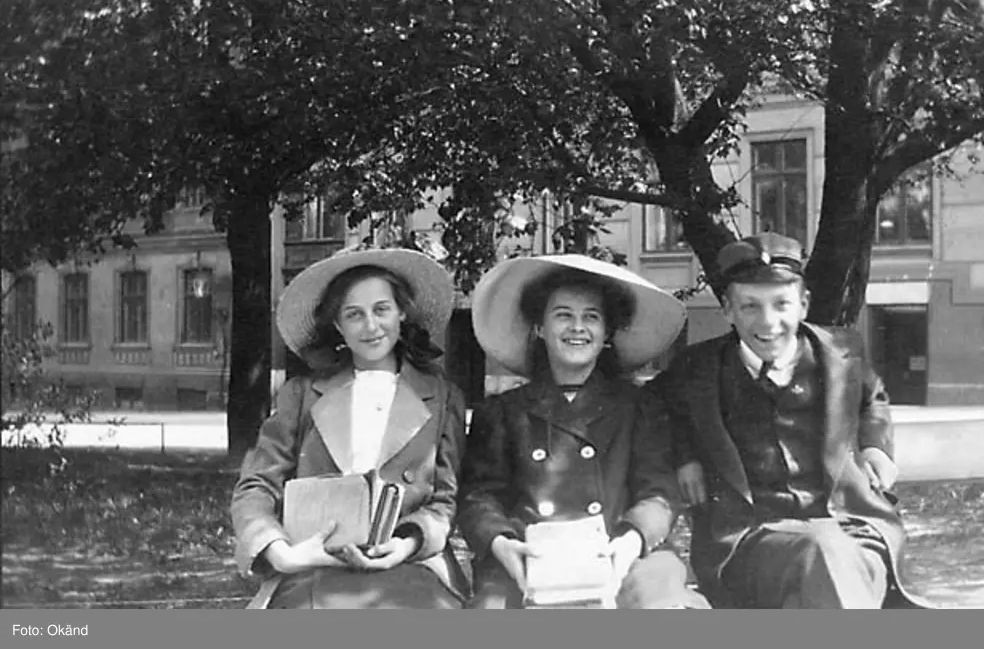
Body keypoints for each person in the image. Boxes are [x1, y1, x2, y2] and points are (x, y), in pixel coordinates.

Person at [643, 232, 927, 609]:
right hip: (752, 540)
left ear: (803, 304)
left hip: (852, 527)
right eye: (750, 306)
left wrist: (876, 446)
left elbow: (872, 397)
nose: (768, 322)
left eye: (782, 304)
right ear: (727, 310)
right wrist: (684, 456)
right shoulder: (697, 369)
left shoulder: (841, 354)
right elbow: (651, 407)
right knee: (821, 555)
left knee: (824, 564)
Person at [457, 254, 709, 609]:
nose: (578, 328)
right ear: (540, 328)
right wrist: (501, 543)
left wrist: (632, 540)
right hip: (529, 558)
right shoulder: (501, 412)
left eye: (591, 317)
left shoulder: (638, 406)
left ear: (606, 333)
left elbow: (659, 493)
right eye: (563, 315)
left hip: (623, 554)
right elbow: (479, 497)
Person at [231, 247, 469, 609]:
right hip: (314, 561)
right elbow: (257, 485)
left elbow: (445, 499)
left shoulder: (442, 396)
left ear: (402, 313)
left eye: (382, 309)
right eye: (354, 314)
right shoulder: (302, 394)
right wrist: (281, 552)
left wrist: (408, 543)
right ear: (338, 326)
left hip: (411, 562)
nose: (371, 326)